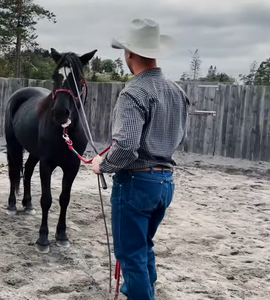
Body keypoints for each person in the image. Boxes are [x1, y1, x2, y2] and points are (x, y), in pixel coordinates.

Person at [91, 18, 189, 300]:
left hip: (136, 183)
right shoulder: (176, 91)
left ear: (129, 53)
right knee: (143, 246)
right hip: (165, 182)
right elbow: (178, 138)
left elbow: (127, 146)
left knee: (130, 254)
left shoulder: (133, 92)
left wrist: (103, 165)